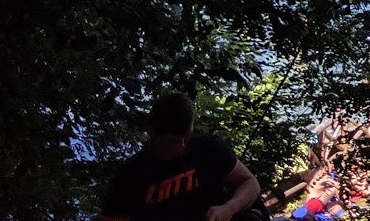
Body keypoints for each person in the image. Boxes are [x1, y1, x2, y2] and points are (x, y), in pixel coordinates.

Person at [100, 93, 263, 221]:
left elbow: (250, 183)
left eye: (185, 136)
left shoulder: (208, 148)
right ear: (152, 132)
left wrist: (229, 208)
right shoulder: (129, 177)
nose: (182, 145)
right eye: (172, 141)